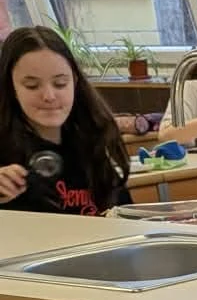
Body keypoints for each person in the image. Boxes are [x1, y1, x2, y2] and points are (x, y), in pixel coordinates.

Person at [0, 25, 130, 216]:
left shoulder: (91, 139)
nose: (49, 96)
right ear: (11, 88)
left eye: (60, 84)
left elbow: (126, 215)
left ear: (75, 82)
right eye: (32, 86)